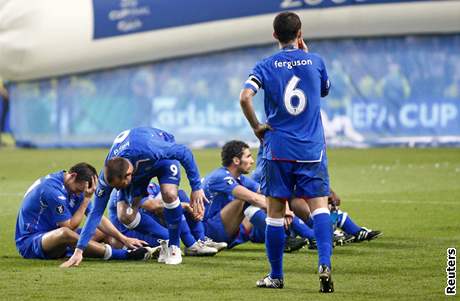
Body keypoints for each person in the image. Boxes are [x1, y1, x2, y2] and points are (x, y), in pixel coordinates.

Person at [240, 12, 334, 292]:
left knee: (275, 213)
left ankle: (276, 276)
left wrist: (257, 126)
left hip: (278, 149)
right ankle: (325, 264)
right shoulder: (316, 62)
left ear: (274, 35)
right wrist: (306, 55)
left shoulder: (265, 65)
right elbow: (324, 91)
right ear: (300, 32)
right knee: (319, 208)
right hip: (311, 150)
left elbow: (245, 96)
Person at [61, 127, 207, 267]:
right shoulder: (105, 178)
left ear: (129, 175)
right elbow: (95, 213)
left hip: (161, 160)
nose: (117, 190)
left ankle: (174, 248)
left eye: (119, 186)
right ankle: (166, 240)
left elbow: (184, 152)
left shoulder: (152, 149)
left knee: (169, 193)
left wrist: (196, 188)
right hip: (138, 168)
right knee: (125, 215)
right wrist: (79, 251)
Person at [15, 162, 153, 261]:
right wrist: (86, 199)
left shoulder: (75, 185)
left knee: (102, 231)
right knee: (65, 233)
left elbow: (96, 217)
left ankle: (142, 250)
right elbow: (69, 227)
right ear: (73, 176)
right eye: (79, 190)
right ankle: (123, 255)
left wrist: (124, 238)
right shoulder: (51, 190)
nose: (80, 194)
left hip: (55, 237)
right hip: (31, 242)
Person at [107, 182, 225, 260]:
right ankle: (191, 245)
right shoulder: (127, 188)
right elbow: (152, 206)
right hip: (132, 235)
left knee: (179, 195)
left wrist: (188, 207)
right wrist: (183, 206)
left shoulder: (148, 184)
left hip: (144, 226)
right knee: (175, 208)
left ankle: (200, 240)